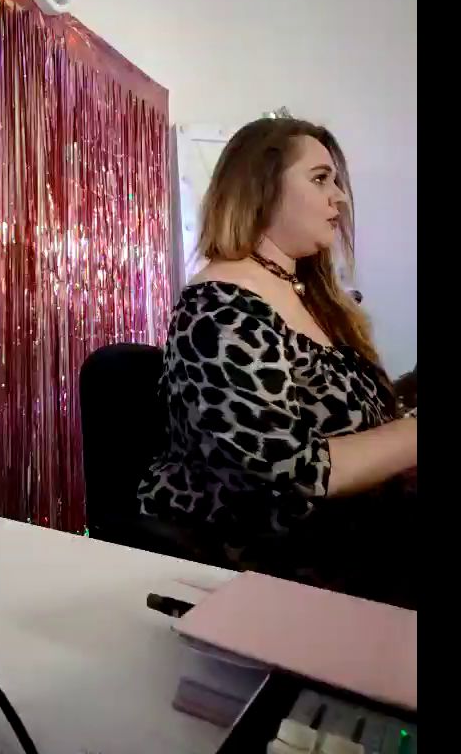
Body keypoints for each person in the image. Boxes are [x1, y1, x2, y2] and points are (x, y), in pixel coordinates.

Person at [137, 117, 417, 607]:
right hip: (278, 564)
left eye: (336, 182)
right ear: (262, 188)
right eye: (320, 179)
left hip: (361, 534)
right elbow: (298, 469)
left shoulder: (312, 295)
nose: (339, 198)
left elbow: (358, 414)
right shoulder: (218, 311)